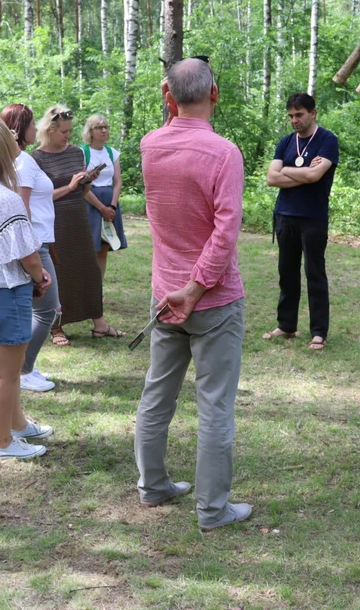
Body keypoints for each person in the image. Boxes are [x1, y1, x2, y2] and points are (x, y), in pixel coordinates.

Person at [135, 57, 252, 529]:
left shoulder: (149, 145)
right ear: (215, 94)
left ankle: (153, 486)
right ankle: (211, 509)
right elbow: (225, 233)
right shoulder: (224, 152)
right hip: (212, 298)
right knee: (215, 406)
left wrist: (183, 289)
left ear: (168, 96)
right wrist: (198, 287)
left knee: (158, 394)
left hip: (167, 294)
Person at [0, 117, 55, 459]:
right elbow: (28, 256)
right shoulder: (6, 198)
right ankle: (3, 441)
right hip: (4, 287)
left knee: (10, 367)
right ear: (6, 149)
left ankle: (18, 425)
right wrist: (39, 276)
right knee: (6, 373)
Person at [32, 105, 123, 344]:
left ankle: (99, 322)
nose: (68, 136)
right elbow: (39, 197)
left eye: (70, 131)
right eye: (63, 131)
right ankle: (56, 327)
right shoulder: (36, 158)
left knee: (89, 271)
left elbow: (82, 190)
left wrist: (86, 181)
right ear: (49, 130)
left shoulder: (75, 153)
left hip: (79, 218)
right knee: (59, 273)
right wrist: (69, 187)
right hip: (54, 222)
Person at [263, 93, 340, 351]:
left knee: (314, 273)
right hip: (285, 215)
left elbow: (316, 175)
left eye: (299, 115)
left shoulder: (327, 141)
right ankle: (286, 325)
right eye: (291, 116)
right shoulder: (286, 142)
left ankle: (319, 332)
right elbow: (272, 178)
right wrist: (303, 174)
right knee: (287, 272)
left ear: (313, 113)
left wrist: (288, 171)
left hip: (313, 216)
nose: (295, 120)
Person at [3, 104, 58, 393]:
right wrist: (31, 251)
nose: (36, 129)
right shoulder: (22, 161)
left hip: (38, 242)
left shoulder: (20, 160)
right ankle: (23, 371)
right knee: (47, 310)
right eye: (33, 124)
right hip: (34, 245)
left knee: (34, 310)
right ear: (21, 128)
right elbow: (21, 207)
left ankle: (25, 367)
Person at [81, 114, 128, 278]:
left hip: (110, 202)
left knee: (103, 247)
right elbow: (82, 186)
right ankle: (87, 290)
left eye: (105, 127)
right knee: (89, 248)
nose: (103, 130)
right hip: (91, 203)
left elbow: (117, 182)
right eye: (99, 127)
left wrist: (112, 206)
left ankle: (98, 290)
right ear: (90, 131)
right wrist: (102, 208)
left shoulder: (112, 153)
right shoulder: (82, 152)